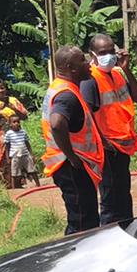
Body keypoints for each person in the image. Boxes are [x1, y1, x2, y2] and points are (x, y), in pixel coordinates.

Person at [83, 33, 137, 226]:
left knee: (123, 194)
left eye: (112, 51)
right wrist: (102, 144)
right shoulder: (91, 80)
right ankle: (110, 235)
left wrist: (126, 70)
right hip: (107, 149)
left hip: (122, 146)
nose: (109, 56)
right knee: (110, 200)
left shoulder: (118, 74)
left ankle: (127, 228)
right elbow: (88, 115)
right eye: (103, 52)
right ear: (93, 55)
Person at [41, 46, 106, 235]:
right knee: (82, 223)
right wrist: (72, 157)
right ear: (72, 67)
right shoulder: (67, 95)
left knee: (82, 217)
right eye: (83, 60)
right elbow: (56, 123)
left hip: (68, 165)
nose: (89, 64)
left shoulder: (59, 86)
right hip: (72, 167)